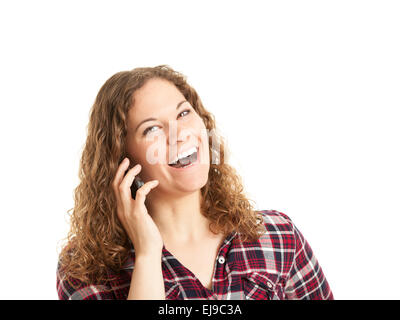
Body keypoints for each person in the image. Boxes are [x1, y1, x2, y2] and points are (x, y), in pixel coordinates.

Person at [56, 65, 333, 300]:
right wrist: (147, 255)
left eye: (183, 114)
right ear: (122, 159)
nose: (179, 134)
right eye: (152, 128)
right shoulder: (86, 270)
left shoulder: (278, 237)